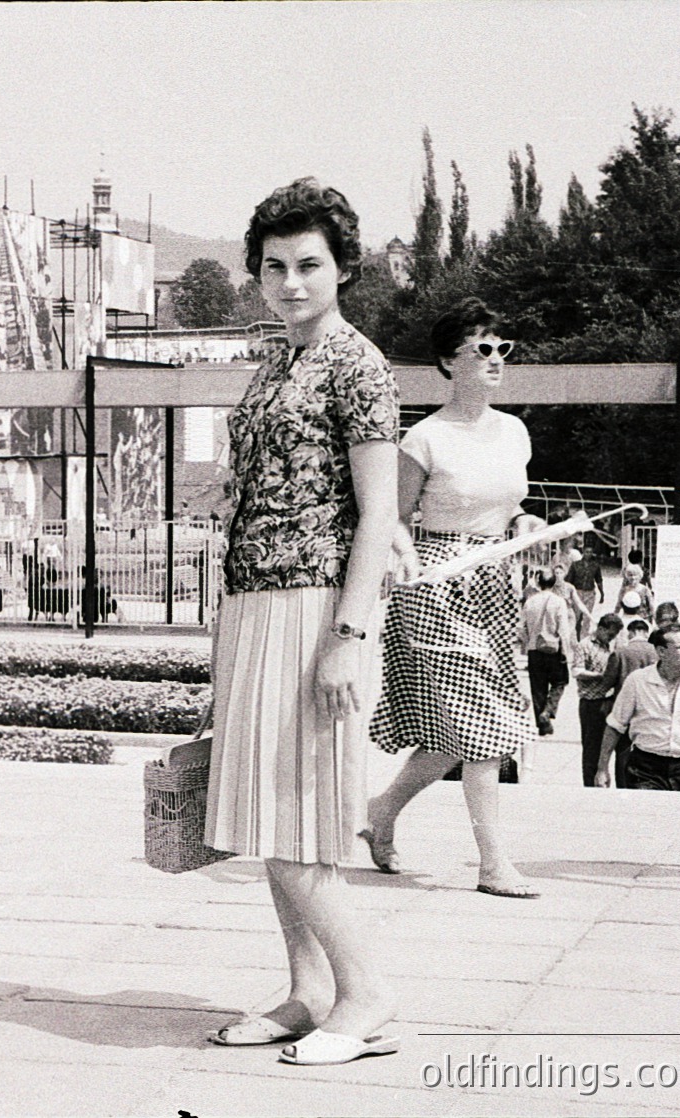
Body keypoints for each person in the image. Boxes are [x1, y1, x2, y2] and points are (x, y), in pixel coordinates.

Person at [203, 179, 401, 1066]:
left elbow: (379, 511)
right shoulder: (279, 361)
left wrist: (347, 639)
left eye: (309, 265)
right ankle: (309, 991)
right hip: (254, 599)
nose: (290, 282)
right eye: (274, 266)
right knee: (263, 814)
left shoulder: (358, 364)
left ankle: (365, 994)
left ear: (343, 269)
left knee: (296, 816)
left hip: (315, 607)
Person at [365, 297, 543, 902]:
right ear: (448, 361)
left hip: (494, 585)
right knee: (484, 728)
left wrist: (524, 523)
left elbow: (511, 506)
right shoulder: (425, 438)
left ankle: (381, 811)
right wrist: (407, 558)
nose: (496, 360)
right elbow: (392, 517)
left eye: (502, 348)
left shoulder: (514, 431)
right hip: (437, 587)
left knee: (453, 737)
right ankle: (493, 863)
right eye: (481, 349)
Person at [596, 626, 680, 791]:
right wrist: (602, 769)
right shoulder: (638, 681)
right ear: (661, 651)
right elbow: (615, 726)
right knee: (648, 807)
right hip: (644, 769)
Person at [598, 617, 658, 786]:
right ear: (645, 632)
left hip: (625, 709)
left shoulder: (620, 653)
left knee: (623, 752)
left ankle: (623, 786)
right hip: (650, 709)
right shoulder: (656, 652)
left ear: (631, 632)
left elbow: (607, 682)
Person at [519, 569, 575, 736]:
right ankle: (548, 710)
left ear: (538, 582)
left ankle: (542, 725)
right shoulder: (559, 602)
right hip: (554, 649)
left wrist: (529, 642)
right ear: (554, 582)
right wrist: (566, 651)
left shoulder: (530, 602)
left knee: (538, 687)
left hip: (534, 650)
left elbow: (521, 627)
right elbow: (563, 629)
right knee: (560, 681)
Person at [572, 613, 624, 788]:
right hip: (591, 703)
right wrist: (600, 676)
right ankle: (590, 784)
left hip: (609, 701)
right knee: (591, 749)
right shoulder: (584, 645)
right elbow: (577, 671)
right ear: (600, 629)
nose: (611, 638)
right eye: (610, 634)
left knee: (607, 746)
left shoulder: (611, 646)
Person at [567, 539, 605, 618]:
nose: (589, 554)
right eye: (587, 552)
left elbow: (599, 580)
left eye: (591, 552)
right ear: (583, 552)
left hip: (589, 593)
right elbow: (569, 580)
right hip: (577, 592)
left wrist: (602, 593)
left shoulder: (595, 565)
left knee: (587, 616)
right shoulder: (575, 565)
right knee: (576, 616)